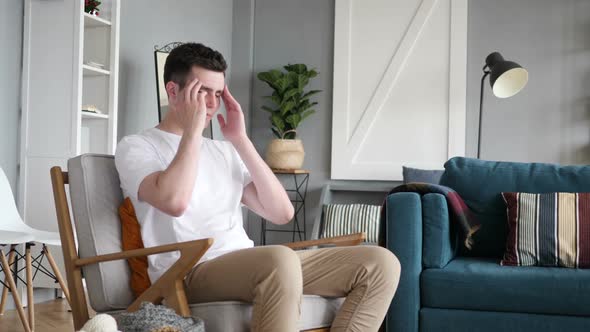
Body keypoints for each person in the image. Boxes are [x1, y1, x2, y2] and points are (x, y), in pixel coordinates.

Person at [115, 42, 400, 332]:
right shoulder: (137, 146)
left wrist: (240, 140)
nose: (212, 104)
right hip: (188, 271)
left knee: (380, 264)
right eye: (202, 92)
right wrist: (192, 132)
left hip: (246, 264)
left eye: (217, 94)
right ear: (173, 92)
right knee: (278, 260)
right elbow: (174, 201)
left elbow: (282, 212)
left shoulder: (224, 151)